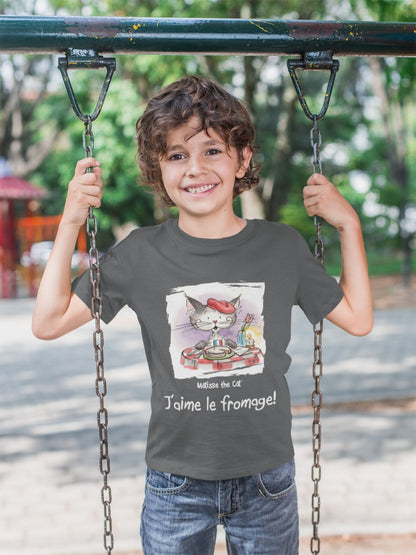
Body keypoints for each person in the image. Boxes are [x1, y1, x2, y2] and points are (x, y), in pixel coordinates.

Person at [33, 75, 373, 554]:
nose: (195, 169)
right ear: (159, 168)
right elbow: (47, 322)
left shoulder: (280, 246)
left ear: (243, 158)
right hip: (176, 484)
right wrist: (70, 221)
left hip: (266, 482)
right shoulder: (140, 253)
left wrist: (349, 225)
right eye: (177, 155)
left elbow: (358, 318)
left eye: (212, 150)